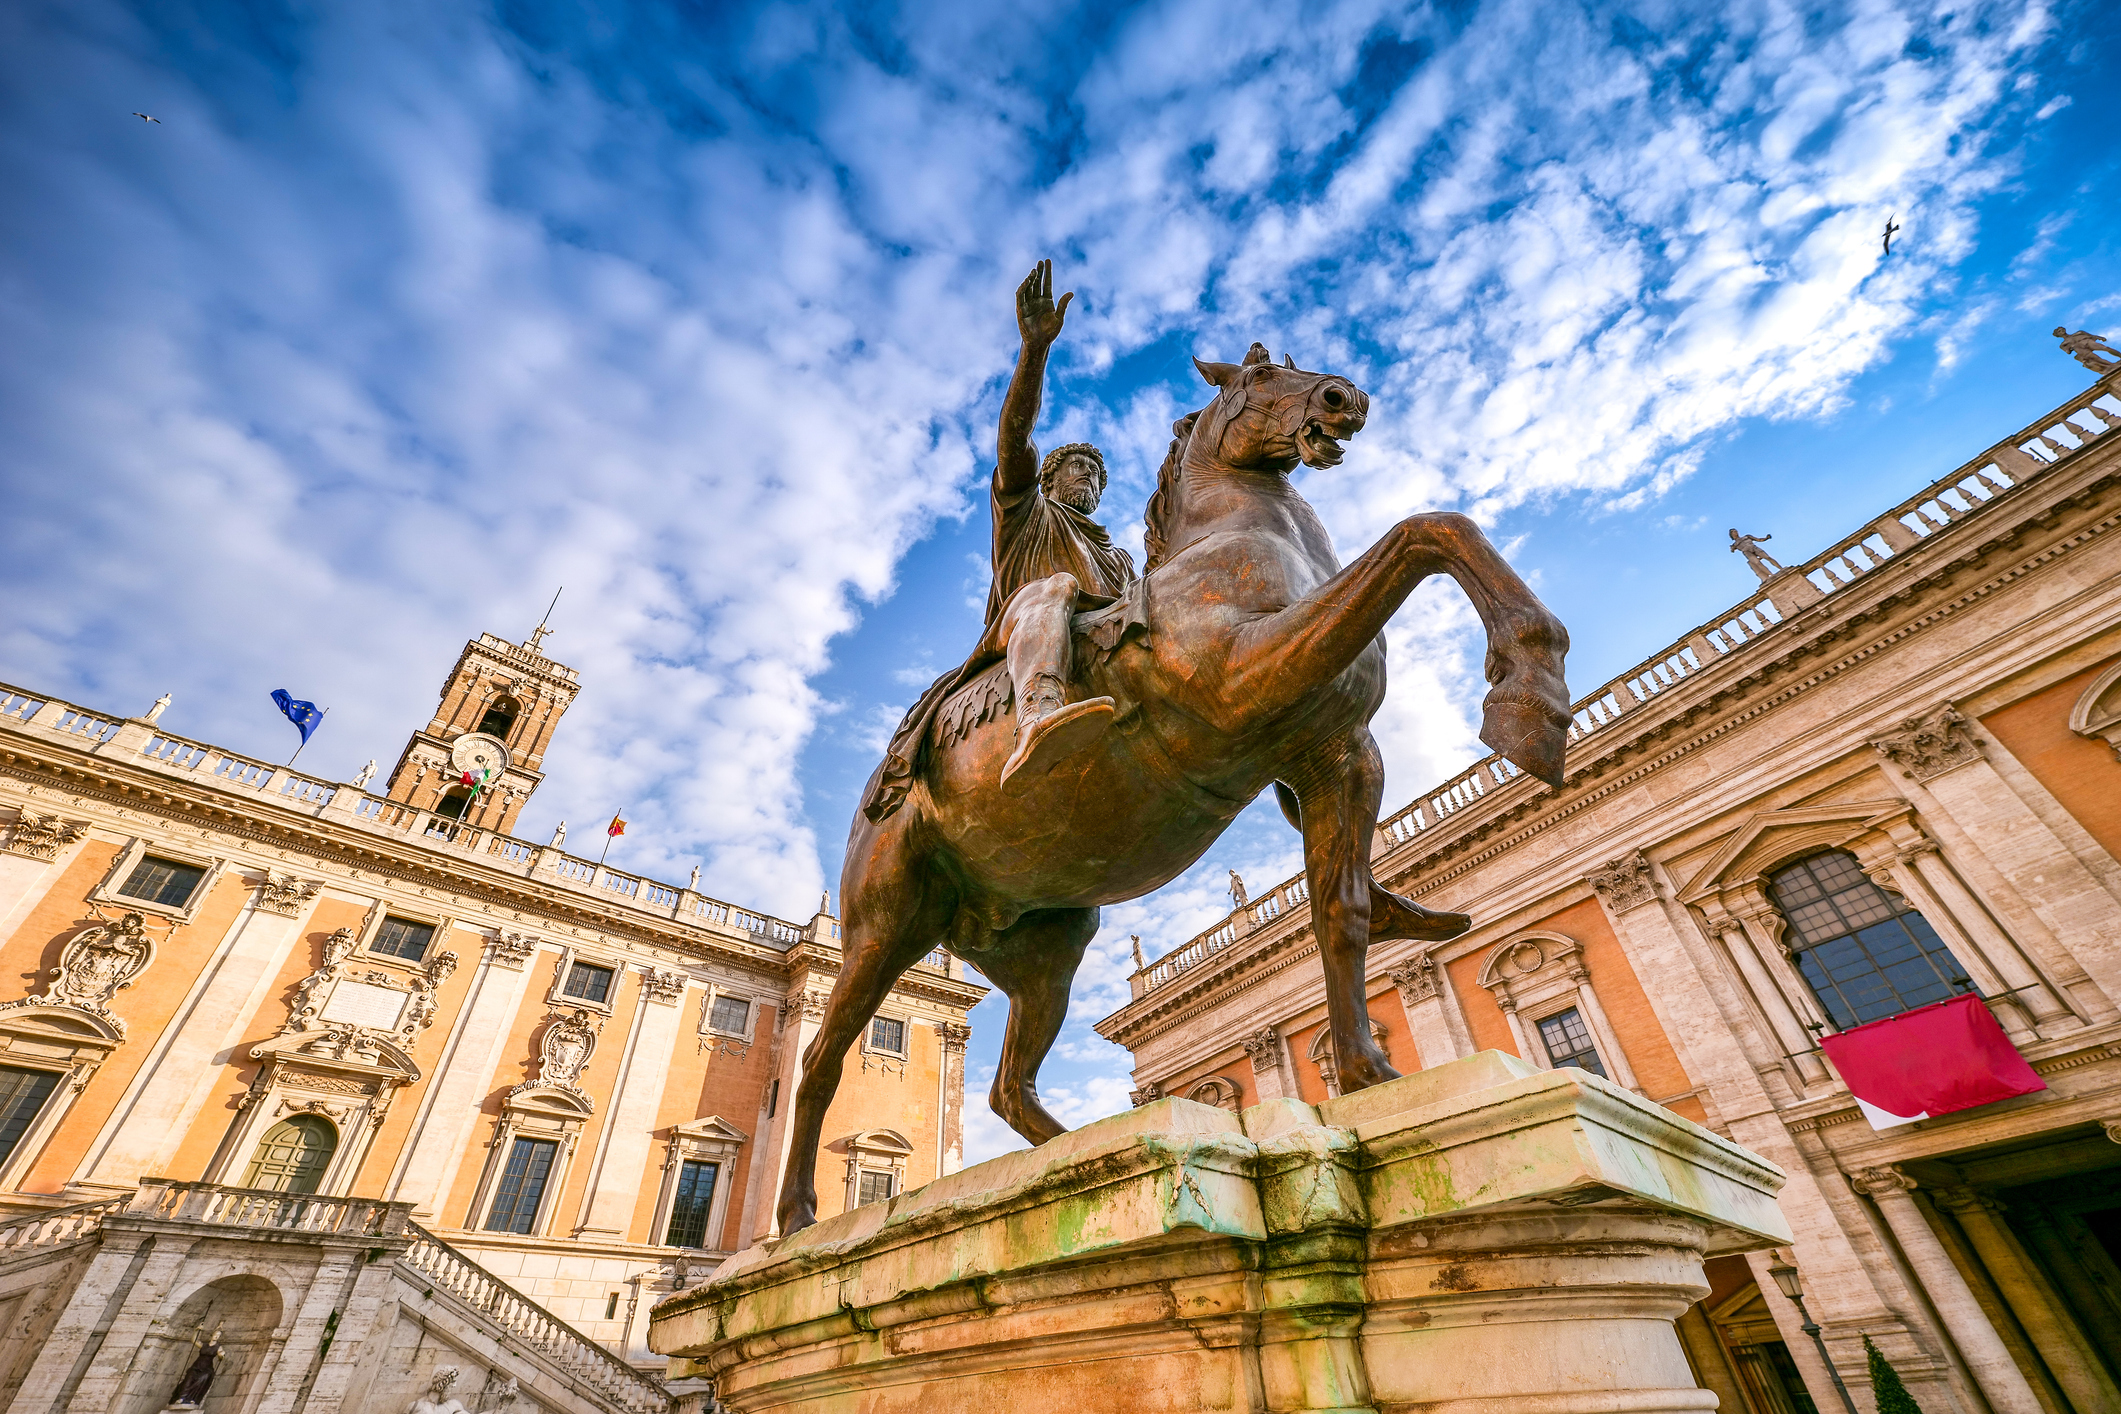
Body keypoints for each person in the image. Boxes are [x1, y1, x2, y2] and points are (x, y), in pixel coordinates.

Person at [866, 260, 1138, 818]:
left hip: (1098, 637)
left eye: (1096, 473)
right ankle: (1038, 711)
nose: (1089, 478)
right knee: (1055, 587)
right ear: (1049, 478)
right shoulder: (1025, 513)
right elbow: (1015, 435)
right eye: (1078, 467)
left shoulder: (1118, 560)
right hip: (1021, 625)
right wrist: (1034, 351)